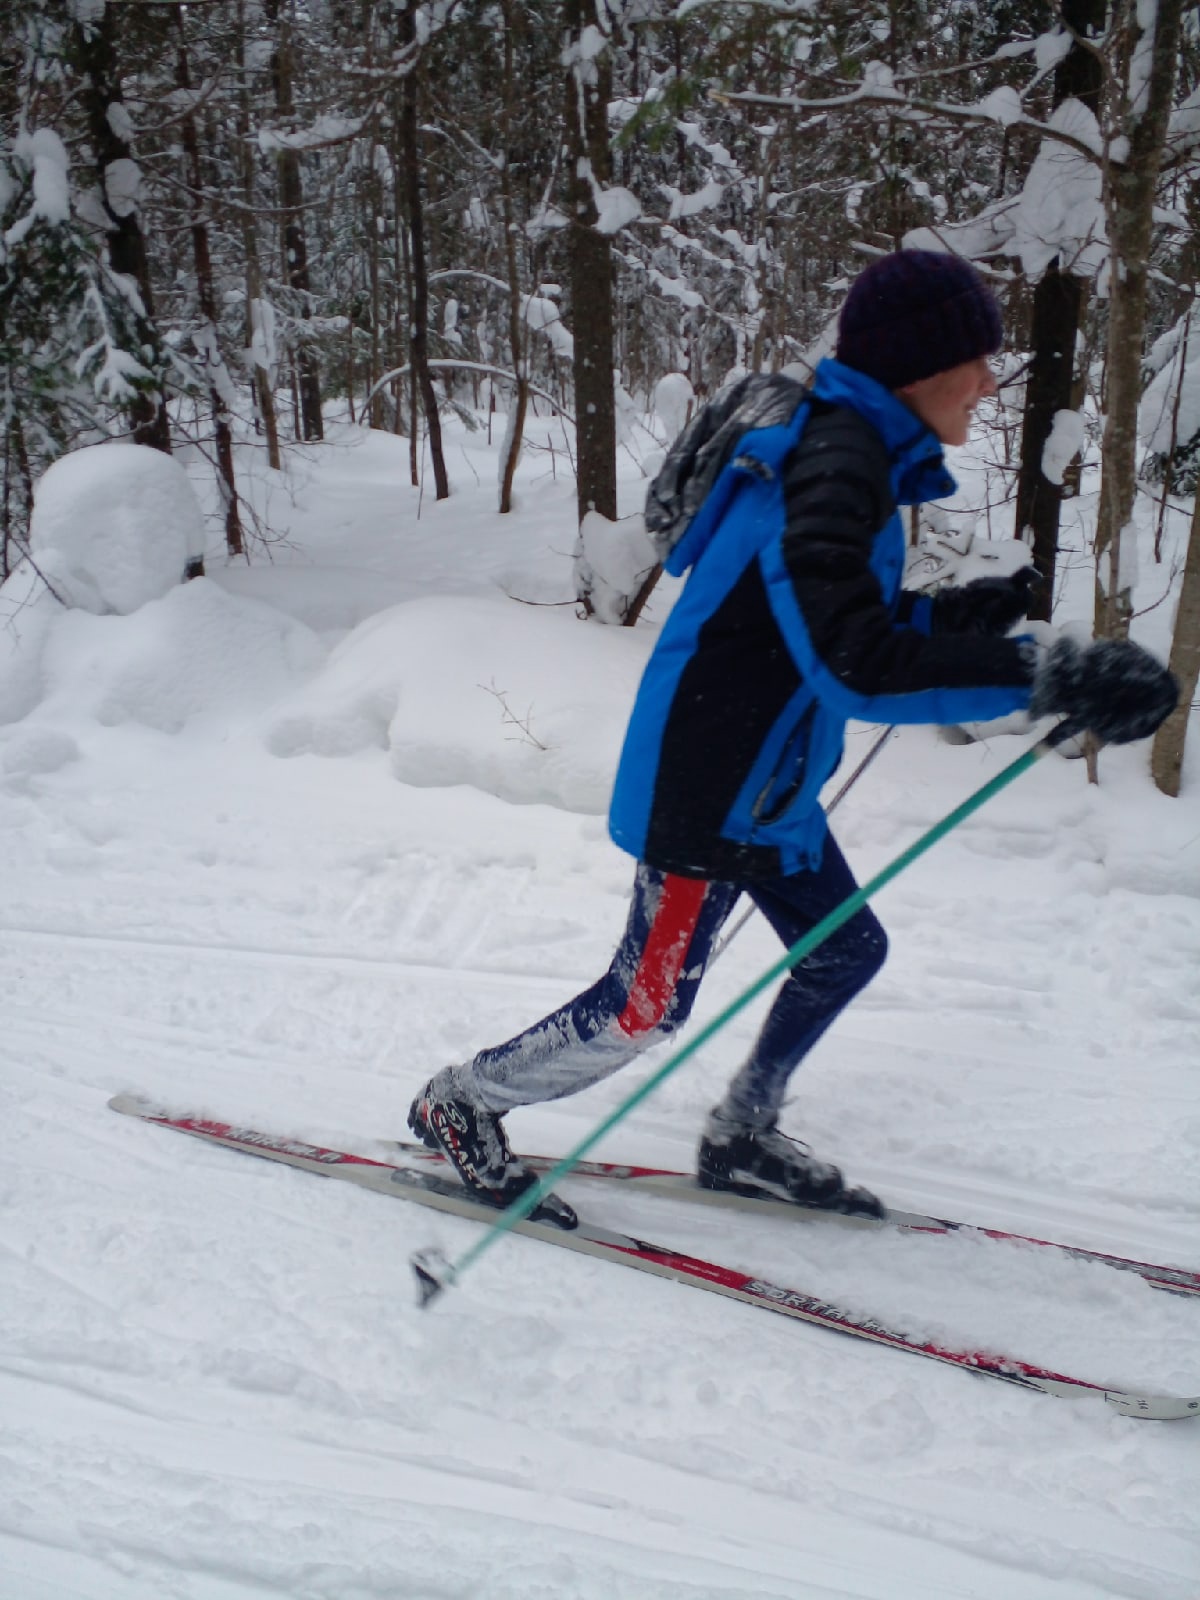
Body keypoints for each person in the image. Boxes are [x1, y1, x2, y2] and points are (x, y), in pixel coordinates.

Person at [409, 250, 1178, 1223]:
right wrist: (1047, 675)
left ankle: (741, 1130)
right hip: (708, 785)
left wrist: (971, 618)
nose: (990, 381)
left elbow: (835, 615)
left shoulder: (850, 447)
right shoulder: (837, 461)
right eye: (976, 360)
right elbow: (852, 661)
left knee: (842, 950)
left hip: (766, 787)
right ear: (920, 367)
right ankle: (463, 1102)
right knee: (647, 1003)